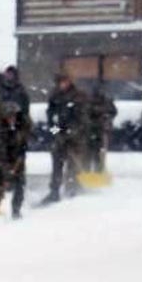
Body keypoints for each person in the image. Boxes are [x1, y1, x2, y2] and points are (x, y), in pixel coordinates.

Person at [43, 72, 89, 202]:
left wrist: (70, 132)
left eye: (64, 81)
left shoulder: (78, 96)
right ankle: (54, 191)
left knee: (73, 165)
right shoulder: (54, 96)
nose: (62, 84)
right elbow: (50, 117)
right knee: (57, 165)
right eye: (60, 82)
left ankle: (72, 190)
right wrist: (55, 132)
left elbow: (82, 119)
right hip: (59, 135)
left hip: (75, 137)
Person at [0, 100, 30, 218]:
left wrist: (23, 149)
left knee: (20, 184)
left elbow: (28, 138)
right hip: (2, 159)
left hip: (18, 158)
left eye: (14, 115)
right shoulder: (0, 130)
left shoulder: (23, 125)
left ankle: (16, 210)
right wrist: (7, 169)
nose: (11, 119)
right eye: (9, 116)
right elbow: (1, 152)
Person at [86, 85, 118, 173]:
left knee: (99, 153)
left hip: (101, 130)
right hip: (93, 130)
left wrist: (106, 118)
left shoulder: (106, 102)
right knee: (94, 153)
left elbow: (113, 112)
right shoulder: (89, 102)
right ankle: (92, 170)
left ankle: (97, 171)